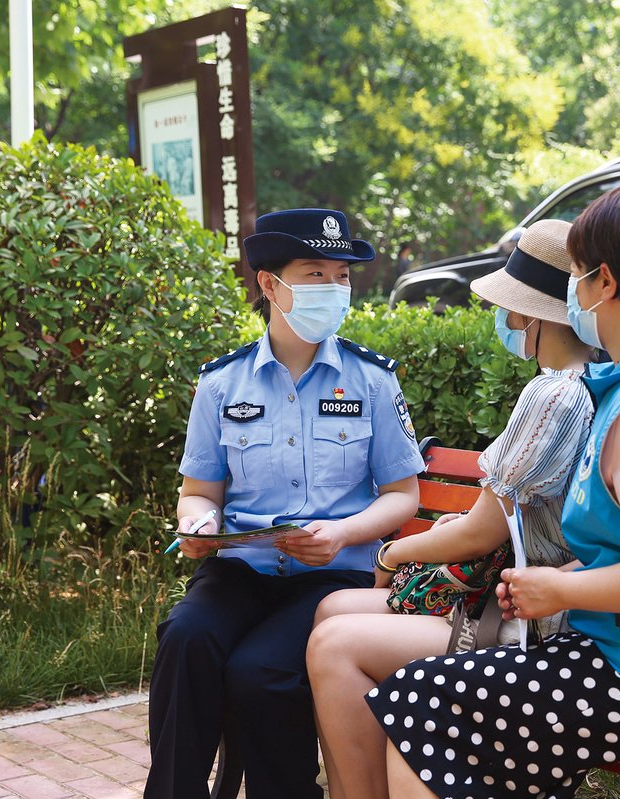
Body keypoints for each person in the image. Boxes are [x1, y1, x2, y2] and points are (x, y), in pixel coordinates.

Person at [366, 183, 620, 799]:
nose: (570, 289)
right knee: (434, 700)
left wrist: (560, 586)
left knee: (419, 703)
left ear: (603, 282)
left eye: (576, 273)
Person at [306, 219, 596, 799]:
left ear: (532, 317)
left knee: (333, 644)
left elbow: (478, 535)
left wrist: (392, 552)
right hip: (511, 600)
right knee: (334, 608)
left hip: (530, 622)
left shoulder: (554, 393)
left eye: (511, 311)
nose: (506, 322)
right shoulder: (576, 382)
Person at [144, 209, 426, 799]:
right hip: (240, 570)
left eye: (342, 276)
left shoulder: (373, 381)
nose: (334, 289)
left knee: (260, 673)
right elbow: (199, 491)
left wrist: (344, 533)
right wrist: (198, 524)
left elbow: (403, 497)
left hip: (333, 577)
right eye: (315, 273)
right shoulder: (222, 385)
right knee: (185, 639)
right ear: (269, 284)